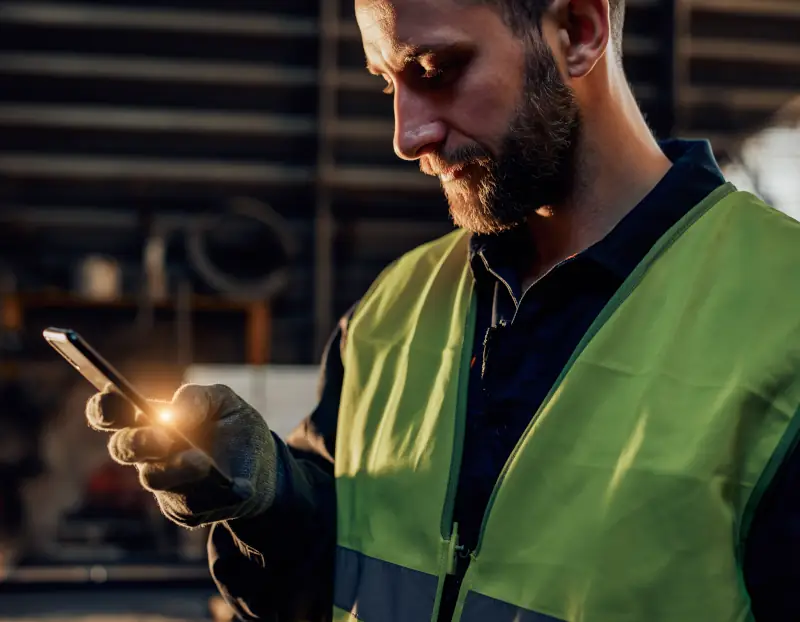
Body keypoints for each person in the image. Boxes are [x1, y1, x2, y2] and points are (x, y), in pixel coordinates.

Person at [84, 0, 800, 620]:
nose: (407, 137)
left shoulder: (781, 313)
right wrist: (267, 501)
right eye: (386, 83)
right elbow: (343, 586)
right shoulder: (393, 310)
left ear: (580, 29)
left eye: (434, 70)